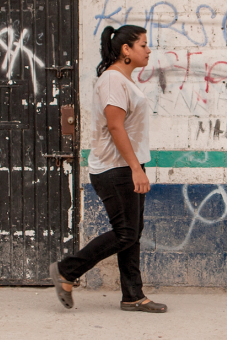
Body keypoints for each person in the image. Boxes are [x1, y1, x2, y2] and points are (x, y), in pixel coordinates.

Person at [49, 25, 166, 313]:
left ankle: (132, 295)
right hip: (116, 168)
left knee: (132, 233)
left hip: (126, 165)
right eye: (143, 45)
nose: (148, 50)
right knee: (125, 232)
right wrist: (136, 168)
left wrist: (137, 166)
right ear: (126, 50)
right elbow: (115, 127)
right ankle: (67, 270)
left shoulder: (123, 81)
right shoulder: (113, 80)